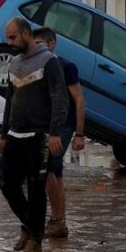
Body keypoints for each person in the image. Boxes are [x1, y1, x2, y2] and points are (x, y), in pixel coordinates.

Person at [0, 18, 69, 252]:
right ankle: (30, 227)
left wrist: (55, 133)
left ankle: (35, 244)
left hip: (40, 137)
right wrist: (3, 134)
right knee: (7, 184)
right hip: (15, 136)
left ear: (26, 34)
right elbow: (9, 101)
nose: (9, 43)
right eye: (8, 38)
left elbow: (60, 99)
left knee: (37, 189)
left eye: (13, 37)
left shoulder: (49, 62)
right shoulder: (14, 63)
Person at [32, 27, 86, 239]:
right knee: (55, 172)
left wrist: (79, 134)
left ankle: (56, 220)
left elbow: (79, 100)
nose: (36, 49)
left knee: (48, 170)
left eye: (40, 44)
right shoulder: (37, 66)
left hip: (63, 125)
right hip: (45, 126)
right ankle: (59, 222)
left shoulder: (66, 66)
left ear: (51, 44)